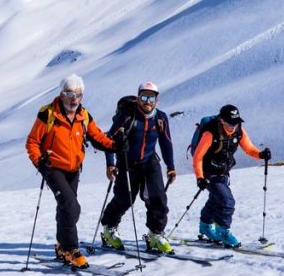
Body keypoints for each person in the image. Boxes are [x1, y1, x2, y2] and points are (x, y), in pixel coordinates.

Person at [25, 74, 115, 269]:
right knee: (71, 206)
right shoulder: (48, 114)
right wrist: (40, 162)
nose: (74, 98)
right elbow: (32, 142)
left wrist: (115, 145)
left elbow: (97, 136)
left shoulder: (84, 116)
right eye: (69, 94)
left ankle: (61, 245)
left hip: (74, 169)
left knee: (66, 209)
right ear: (61, 94)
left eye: (78, 94)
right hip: (52, 168)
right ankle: (72, 250)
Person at [99, 81, 176, 254]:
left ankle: (155, 234)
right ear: (138, 97)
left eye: (151, 97)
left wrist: (170, 166)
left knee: (158, 199)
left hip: (150, 162)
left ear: (157, 100)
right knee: (124, 199)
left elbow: (166, 143)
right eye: (143, 97)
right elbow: (109, 140)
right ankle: (108, 228)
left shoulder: (161, 118)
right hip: (127, 162)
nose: (147, 101)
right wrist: (110, 164)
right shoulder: (127, 116)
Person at [193, 104, 272, 248]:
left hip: (224, 171)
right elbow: (198, 157)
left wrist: (261, 155)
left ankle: (205, 226)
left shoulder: (239, 131)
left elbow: (249, 149)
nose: (233, 126)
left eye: (236, 122)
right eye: (230, 123)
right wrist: (200, 177)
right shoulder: (210, 133)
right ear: (222, 120)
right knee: (226, 200)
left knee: (216, 200)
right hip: (208, 172)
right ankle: (222, 231)